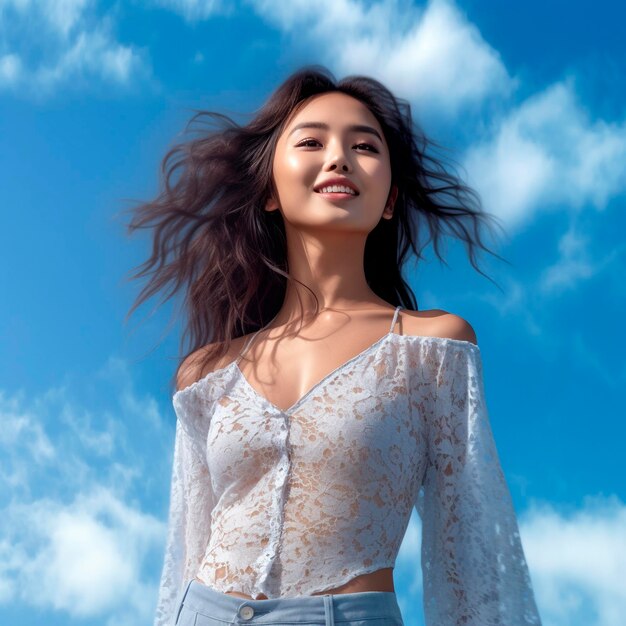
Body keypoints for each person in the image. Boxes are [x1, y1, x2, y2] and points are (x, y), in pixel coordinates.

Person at [125, 65, 542, 626]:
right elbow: (185, 551)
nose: (339, 157)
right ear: (271, 189)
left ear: (390, 200)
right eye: (312, 141)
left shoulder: (433, 348)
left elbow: (472, 558)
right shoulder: (208, 373)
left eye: (364, 145)